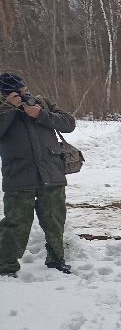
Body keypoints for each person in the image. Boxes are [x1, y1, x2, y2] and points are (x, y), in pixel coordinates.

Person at [0, 72, 77, 277]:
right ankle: (6, 266)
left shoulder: (41, 103)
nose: (23, 95)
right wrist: (8, 108)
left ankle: (56, 260)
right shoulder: (3, 109)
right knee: (15, 223)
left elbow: (69, 123)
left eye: (24, 91)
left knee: (55, 221)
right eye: (16, 93)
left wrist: (40, 114)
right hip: (18, 177)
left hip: (51, 173)